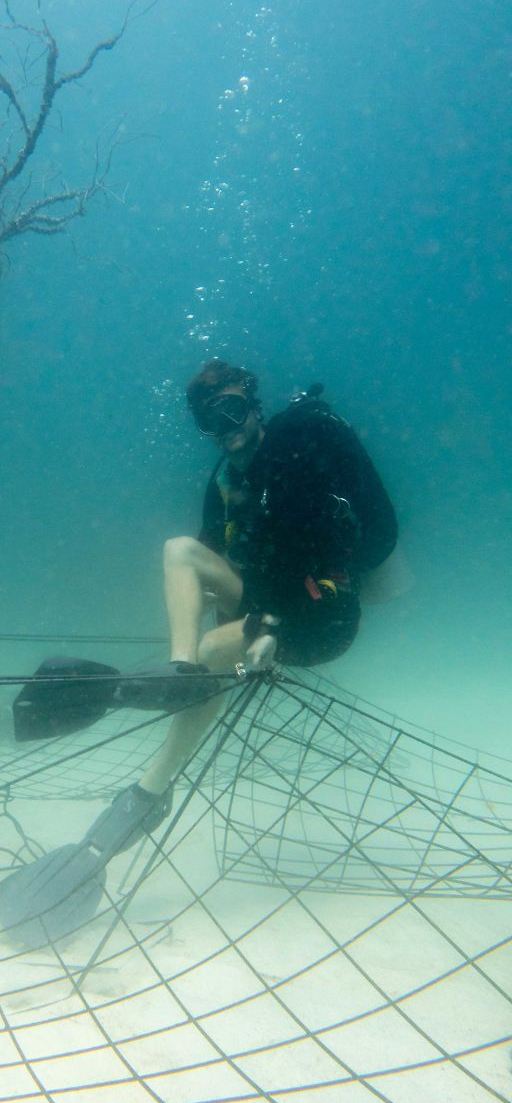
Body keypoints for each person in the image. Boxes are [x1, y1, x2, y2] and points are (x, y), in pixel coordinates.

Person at [84, 359, 398, 851]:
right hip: (262, 608)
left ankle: (151, 790)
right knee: (179, 550)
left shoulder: (300, 452)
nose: (222, 429)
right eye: (209, 421)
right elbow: (212, 553)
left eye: (230, 410)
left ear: (254, 405)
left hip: (322, 617)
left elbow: (368, 540)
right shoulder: (225, 484)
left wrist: (278, 617)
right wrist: (222, 596)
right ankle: (181, 675)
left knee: (215, 646)